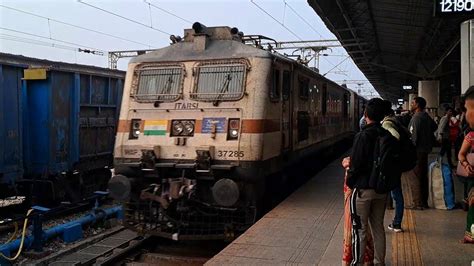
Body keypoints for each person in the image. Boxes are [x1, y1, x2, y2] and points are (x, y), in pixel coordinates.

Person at [346, 98, 387, 265]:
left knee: (359, 229)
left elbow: (355, 164)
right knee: (378, 227)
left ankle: (358, 263)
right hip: (381, 190)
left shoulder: (362, 136)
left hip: (363, 189)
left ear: (366, 115)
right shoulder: (387, 135)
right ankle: (379, 262)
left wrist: (350, 182)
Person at [341, 157, 374, 265]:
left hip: (357, 199)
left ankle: (357, 261)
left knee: (357, 229)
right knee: (370, 227)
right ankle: (371, 259)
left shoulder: (351, 169)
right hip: (373, 192)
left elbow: (349, 184)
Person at [408, 96, 437, 209]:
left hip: (417, 151)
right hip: (425, 150)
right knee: (423, 176)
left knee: (416, 177)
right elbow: (434, 127)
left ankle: (418, 203)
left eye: (413, 103)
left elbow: (413, 138)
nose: (411, 104)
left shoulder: (416, 118)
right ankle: (424, 201)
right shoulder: (426, 116)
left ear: (418, 105)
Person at [381, 100, 404, 233]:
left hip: (391, 164)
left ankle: (397, 223)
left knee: (396, 193)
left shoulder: (387, 123)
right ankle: (396, 222)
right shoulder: (395, 120)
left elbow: (395, 136)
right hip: (396, 163)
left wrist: (387, 152)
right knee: (396, 193)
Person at [457, 85, 474, 244]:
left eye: (468, 108)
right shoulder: (471, 135)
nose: (466, 114)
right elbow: (461, 154)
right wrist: (466, 164)